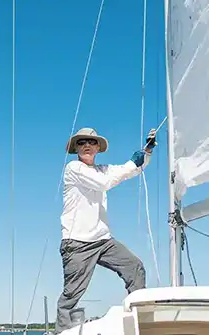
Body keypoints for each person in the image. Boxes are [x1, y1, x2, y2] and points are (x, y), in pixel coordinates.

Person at [55, 127, 157, 334]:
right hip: (77, 242)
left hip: (102, 240)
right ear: (76, 148)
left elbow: (132, 170)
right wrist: (132, 163)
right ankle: (62, 331)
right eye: (82, 142)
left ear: (97, 148)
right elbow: (104, 183)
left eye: (91, 142)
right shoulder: (73, 168)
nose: (87, 146)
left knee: (134, 267)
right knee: (72, 293)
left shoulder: (102, 169)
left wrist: (147, 152)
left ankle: (139, 317)